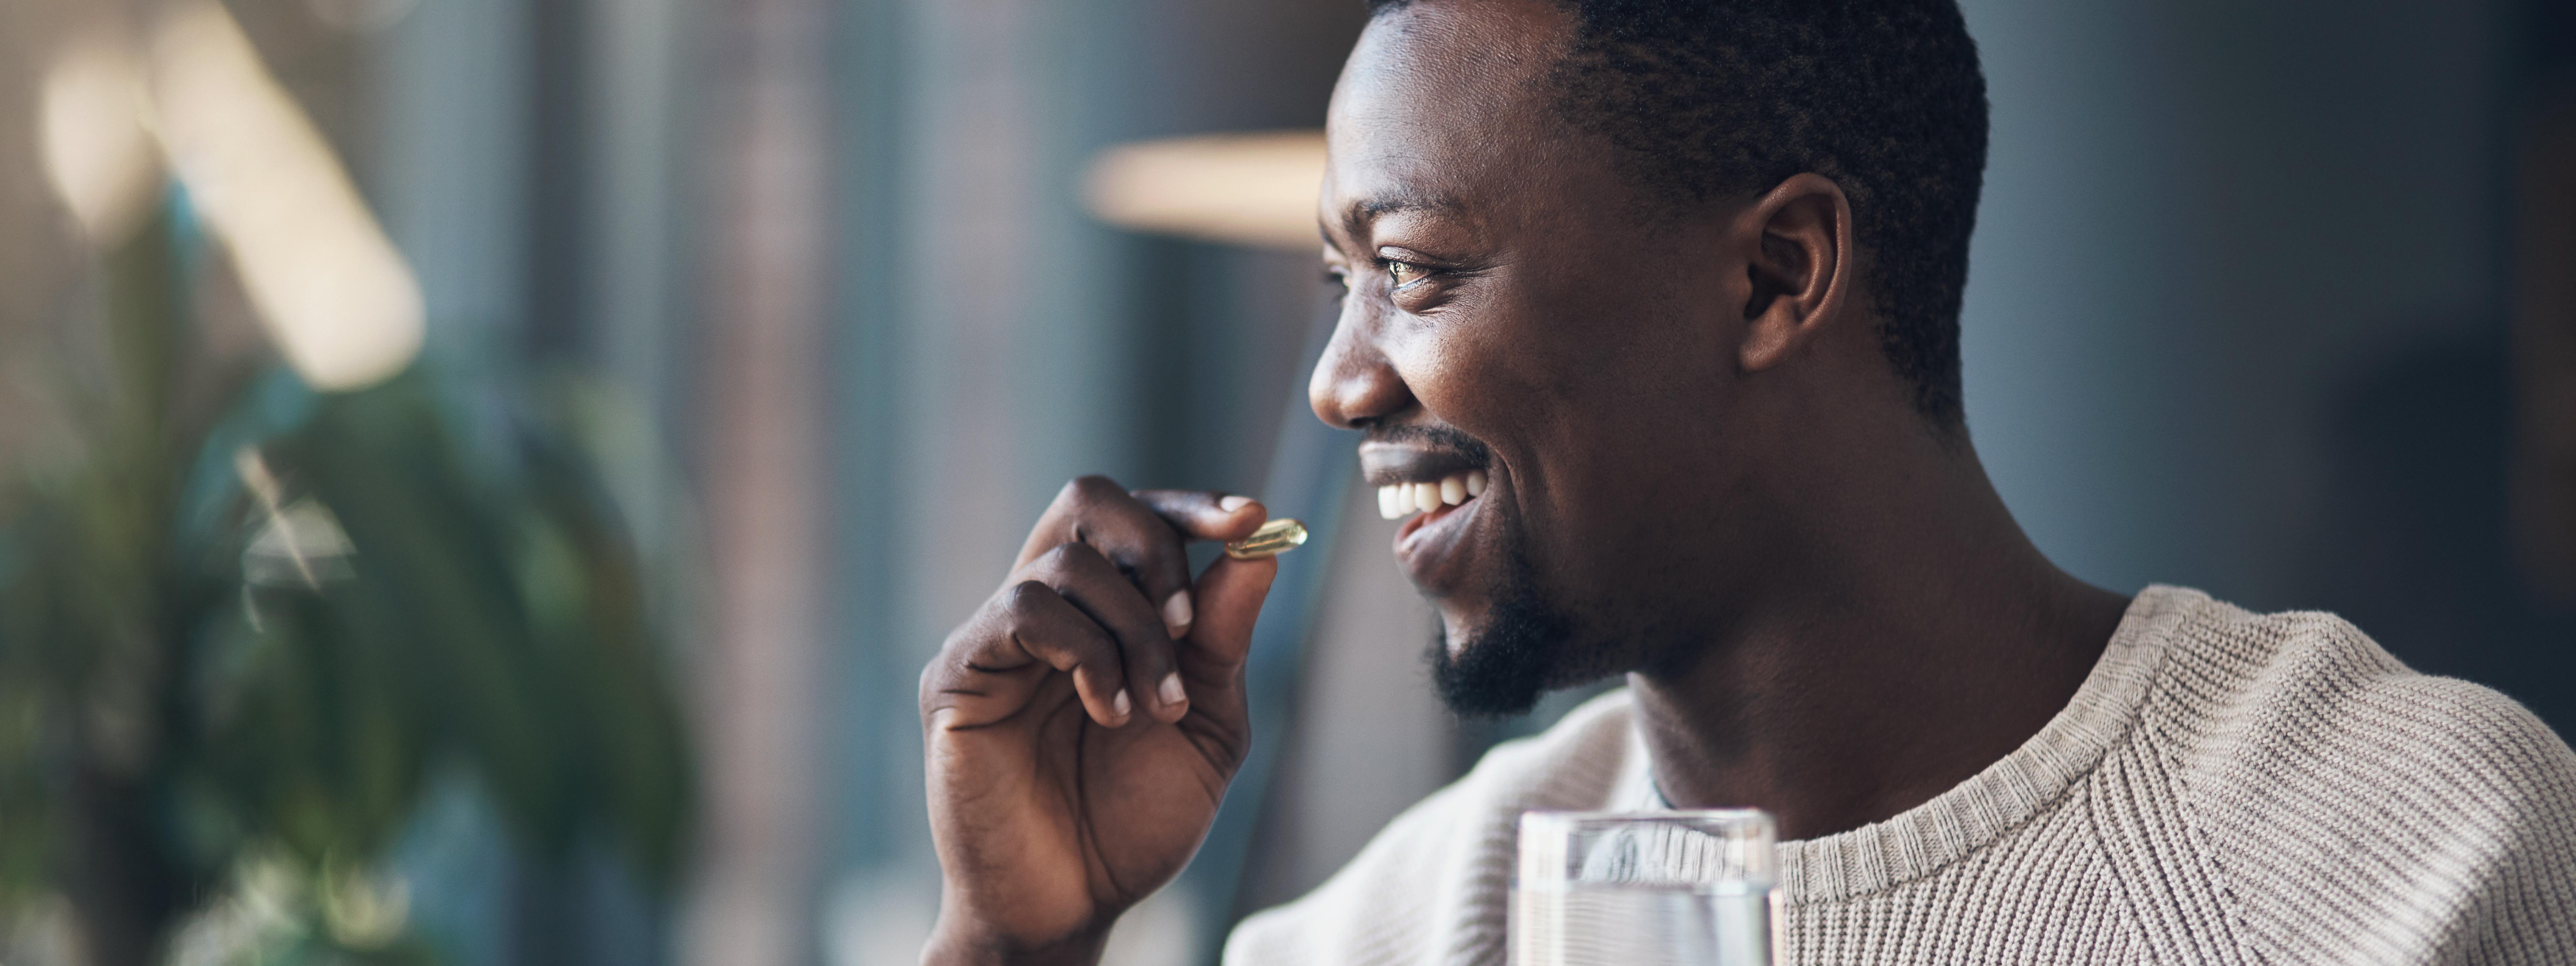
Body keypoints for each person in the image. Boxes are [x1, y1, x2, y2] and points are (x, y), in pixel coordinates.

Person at [915, 0, 2576, 962]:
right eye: (1331, 283)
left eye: (1411, 272)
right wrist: (1017, 943)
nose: (1341, 384)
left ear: (1779, 275)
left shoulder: (2410, 869)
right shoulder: (1412, 928)